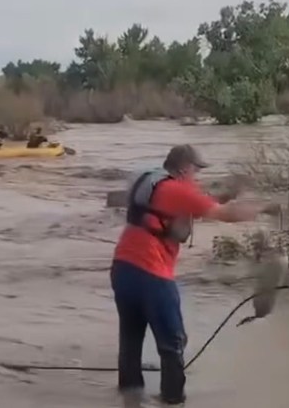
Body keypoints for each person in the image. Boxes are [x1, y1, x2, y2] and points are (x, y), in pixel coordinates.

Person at [111, 144, 263, 405]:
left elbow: (186, 210)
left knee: (131, 337)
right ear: (184, 169)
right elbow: (226, 214)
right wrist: (265, 208)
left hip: (123, 268)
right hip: (151, 271)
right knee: (172, 342)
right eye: (196, 170)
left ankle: (130, 395)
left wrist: (223, 195)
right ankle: (172, 400)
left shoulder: (152, 183)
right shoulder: (176, 190)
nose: (198, 176)